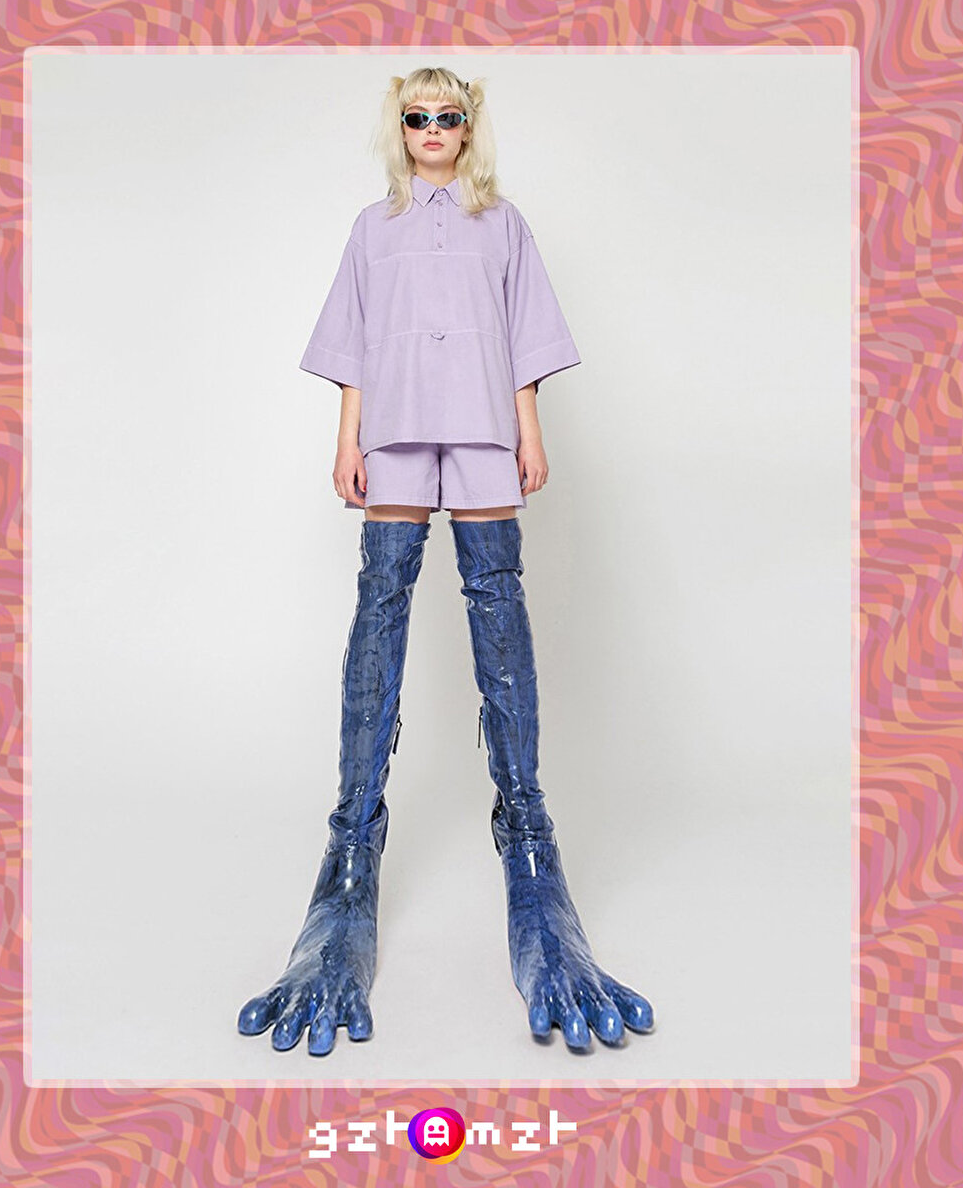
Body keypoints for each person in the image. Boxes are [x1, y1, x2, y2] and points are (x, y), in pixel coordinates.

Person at [237, 66, 655, 1056]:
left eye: (448, 115)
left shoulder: (501, 223)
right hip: (392, 427)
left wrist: (529, 430)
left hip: (480, 428)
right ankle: (349, 857)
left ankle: (530, 849)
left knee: (498, 599)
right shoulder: (371, 228)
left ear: (469, 127)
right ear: (401, 127)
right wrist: (347, 437)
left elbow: (523, 338)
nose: (432, 127)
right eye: (417, 115)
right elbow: (353, 344)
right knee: (379, 600)